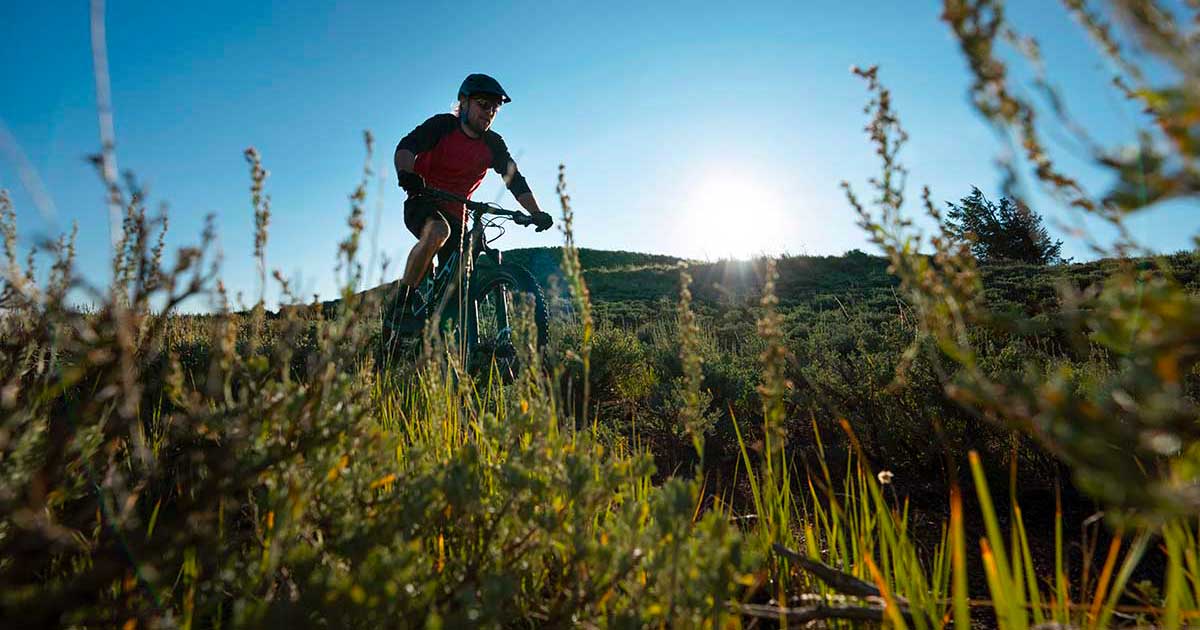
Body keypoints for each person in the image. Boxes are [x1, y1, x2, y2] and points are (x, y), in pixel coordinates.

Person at [387, 73, 553, 332]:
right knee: (438, 231)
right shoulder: (443, 126)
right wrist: (407, 175)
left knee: (461, 281)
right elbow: (407, 146)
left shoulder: (493, 144)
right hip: (423, 199)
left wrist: (536, 212)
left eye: (495, 108)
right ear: (463, 102)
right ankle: (403, 302)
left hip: (458, 213)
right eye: (483, 104)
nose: (489, 112)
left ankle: (451, 345)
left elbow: (514, 180)